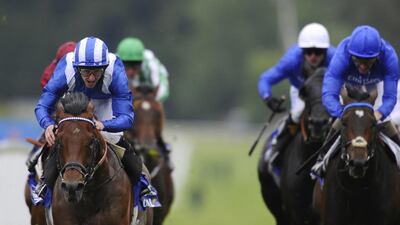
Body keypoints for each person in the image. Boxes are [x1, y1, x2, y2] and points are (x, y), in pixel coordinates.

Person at [34, 36, 142, 199]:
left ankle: (142, 187)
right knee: (64, 141)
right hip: (75, 101)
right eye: (85, 71)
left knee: (114, 140)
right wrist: (48, 124)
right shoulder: (67, 67)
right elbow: (42, 106)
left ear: (104, 68)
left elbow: (127, 117)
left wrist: (103, 125)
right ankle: (45, 186)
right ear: (77, 68)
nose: (91, 78)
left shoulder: (115, 71)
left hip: (105, 103)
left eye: (97, 71)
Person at [318, 25, 400, 170]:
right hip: (350, 86)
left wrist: (379, 113)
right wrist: (342, 113)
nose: (362, 66)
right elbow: (329, 94)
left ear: (378, 55)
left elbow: (390, 97)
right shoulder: (342, 54)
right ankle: (320, 162)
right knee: (340, 122)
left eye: (368, 61)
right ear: (350, 54)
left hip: (378, 86)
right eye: (358, 60)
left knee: (386, 122)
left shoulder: (389, 56)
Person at [257, 23, 335, 167]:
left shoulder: (335, 59)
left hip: (325, 95)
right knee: (297, 113)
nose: (313, 56)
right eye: (308, 51)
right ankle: (275, 150)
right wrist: (267, 98)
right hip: (301, 91)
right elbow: (265, 79)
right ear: (302, 51)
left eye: (318, 52)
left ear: (325, 51)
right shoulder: (291, 60)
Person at [116, 37, 173, 170]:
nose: (130, 71)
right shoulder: (114, 63)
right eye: (127, 66)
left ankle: (160, 144)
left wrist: (146, 102)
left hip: (149, 87)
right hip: (131, 90)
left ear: (142, 63)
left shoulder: (151, 66)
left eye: (135, 66)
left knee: (151, 109)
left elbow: (162, 90)